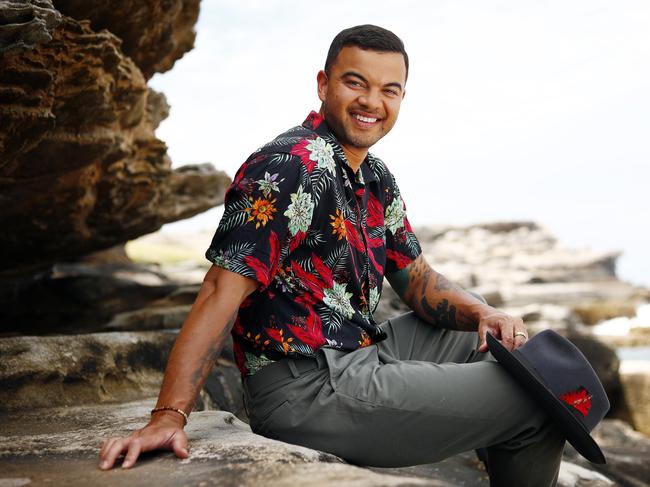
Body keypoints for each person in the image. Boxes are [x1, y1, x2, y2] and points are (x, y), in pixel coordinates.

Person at [98, 24, 566, 486]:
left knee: (490, 342)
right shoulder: (289, 165)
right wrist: (168, 417)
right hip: (304, 387)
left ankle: (494, 435)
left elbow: (418, 281)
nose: (372, 102)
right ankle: (512, 428)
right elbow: (220, 290)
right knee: (542, 400)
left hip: (359, 350)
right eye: (355, 82)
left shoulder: (375, 176)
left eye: (390, 90)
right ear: (323, 84)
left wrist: (485, 312)